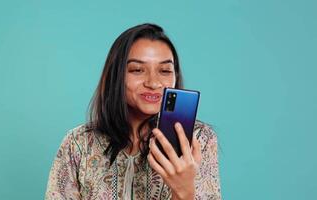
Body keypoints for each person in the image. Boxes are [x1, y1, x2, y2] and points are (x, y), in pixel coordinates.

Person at [45, 23, 221, 200]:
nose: (153, 83)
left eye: (165, 70)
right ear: (117, 75)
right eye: (137, 70)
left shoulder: (199, 140)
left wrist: (184, 193)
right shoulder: (78, 143)